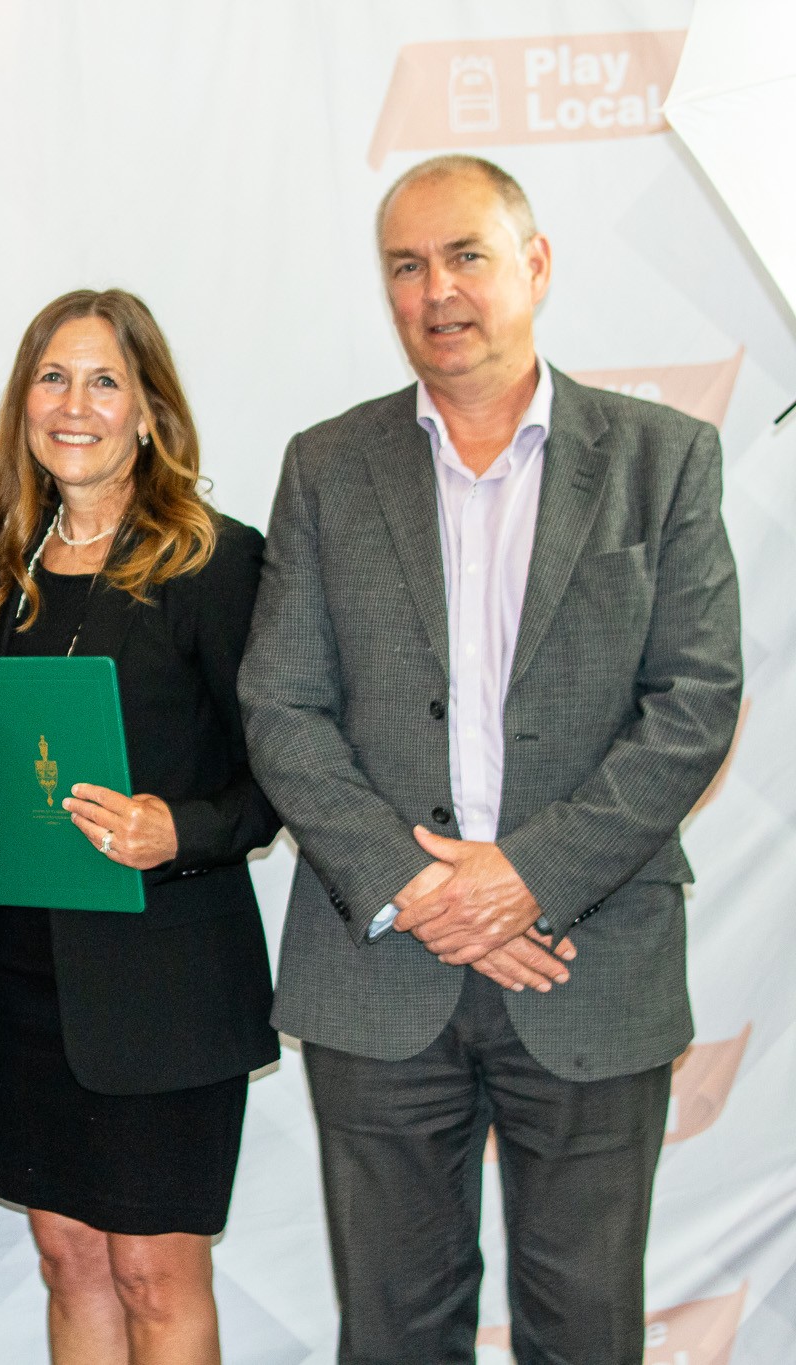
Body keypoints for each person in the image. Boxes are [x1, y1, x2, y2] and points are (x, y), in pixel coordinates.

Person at [238, 154, 744, 1362]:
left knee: (582, 1334)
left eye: (464, 254)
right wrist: (419, 890)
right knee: (394, 1335)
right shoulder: (326, 465)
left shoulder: (658, 459)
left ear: (535, 264)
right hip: (378, 974)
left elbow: (693, 701)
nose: (436, 290)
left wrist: (521, 879)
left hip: (589, 966)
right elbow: (280, 708)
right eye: (404, 266)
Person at [0, 289, 280, 1365]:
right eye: (51, 378)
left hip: (164, 986)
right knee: (69, 1261)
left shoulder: (212, 562)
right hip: (24, 982)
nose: (74, 404)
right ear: (22, 405)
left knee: (153, 1273)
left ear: (149, 409)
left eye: (104, 380)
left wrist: (174, 829)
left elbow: (280, 781)